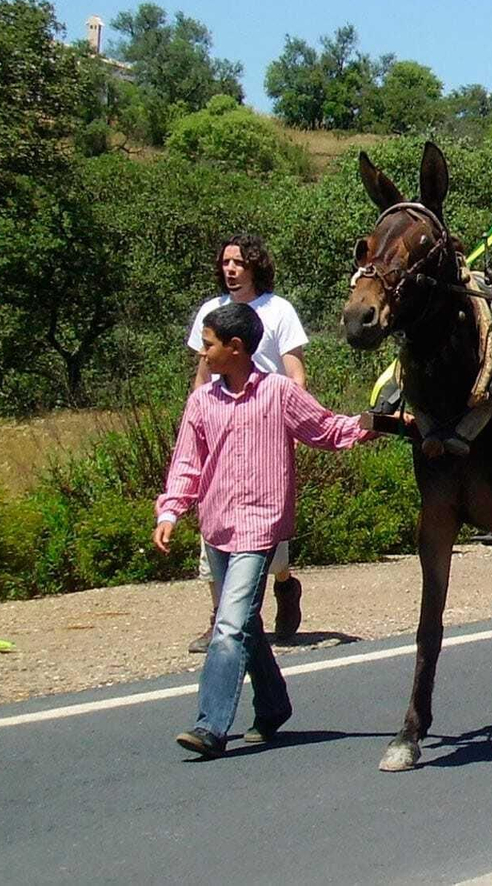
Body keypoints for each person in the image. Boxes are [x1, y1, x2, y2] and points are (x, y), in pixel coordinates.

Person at [154, 303, 373, 758]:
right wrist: (170, 512)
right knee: (246, 624)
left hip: (259, 524)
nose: (204, 353)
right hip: (217, 525)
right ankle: (273, 706)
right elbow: (187, 464)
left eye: (209, 344)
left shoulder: (277, 393)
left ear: (235, 348)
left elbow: (326, 428)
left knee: (228, 624)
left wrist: (376, 425)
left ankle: (210, 726)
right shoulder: (201, 402)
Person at [185, 234, 310, 652]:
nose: (230, 269)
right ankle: (221, 621)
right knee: (216, 524)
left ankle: (284, 585)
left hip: (267, 423)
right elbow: (202, 373)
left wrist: (300, 417)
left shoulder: (278, 311)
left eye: (238, 261)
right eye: (225, 262)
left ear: (255, 265)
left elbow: (295, 371)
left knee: (267, 542)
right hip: (222, 422)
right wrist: (194, 419)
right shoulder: (212, 312)